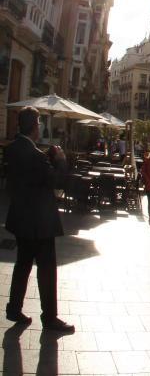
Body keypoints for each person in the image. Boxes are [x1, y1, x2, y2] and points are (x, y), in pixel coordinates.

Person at [4, 107, 74, 332]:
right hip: (40, 221)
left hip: (20, 218)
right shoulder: (35, 155)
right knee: (46, 269)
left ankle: (14, 308)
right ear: (35, 126)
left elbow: (33, 176)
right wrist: (61, 160)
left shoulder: (12, 149)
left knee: (22, 264)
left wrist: (47, 159)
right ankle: (50, 317)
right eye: (40, 122)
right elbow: (55, 181)